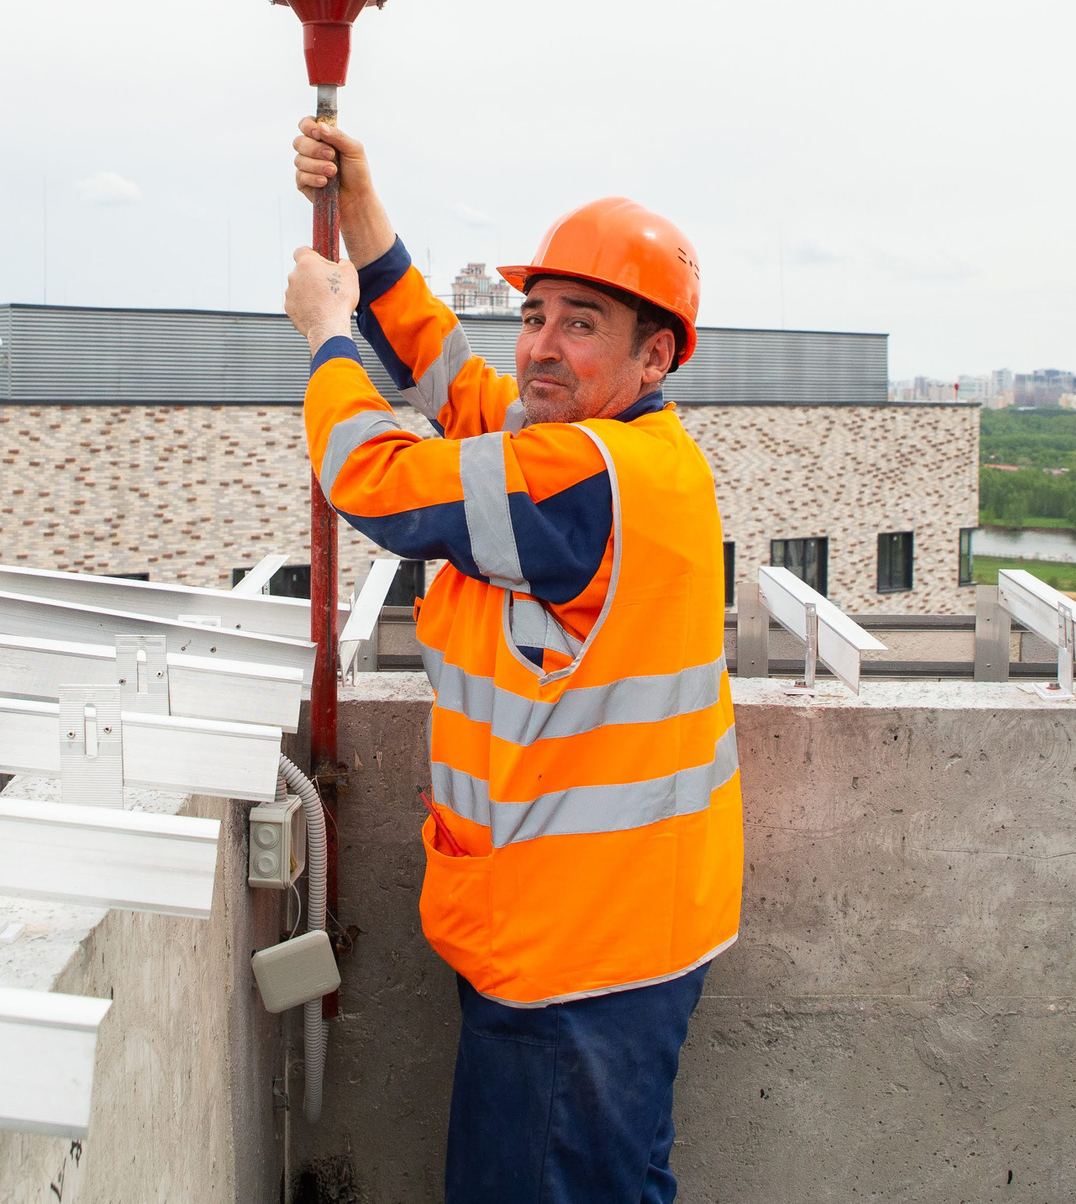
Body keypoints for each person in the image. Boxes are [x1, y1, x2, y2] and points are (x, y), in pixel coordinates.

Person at [283, 118, 742, 1204]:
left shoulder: (583, 477)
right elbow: (451, 376)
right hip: (616, 939)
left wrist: (325, 335)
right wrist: (361, 210)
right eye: (533, 316)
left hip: (574, 967)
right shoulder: (612, 456)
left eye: (579, 323)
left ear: (654, 355)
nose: (537, 345)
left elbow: (374, 477)